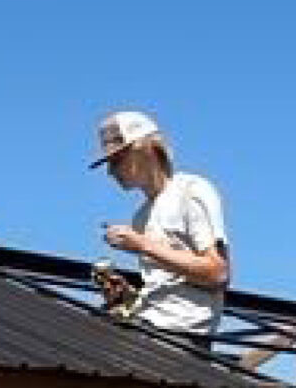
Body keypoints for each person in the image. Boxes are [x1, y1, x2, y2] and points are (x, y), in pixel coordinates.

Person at [89, 109, 230, 337]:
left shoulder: (191, 191)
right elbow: (168, 283)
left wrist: (143, 245)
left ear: (145, 150)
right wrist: (127, 295)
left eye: (117, 160)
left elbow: (217, 273)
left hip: (180, 337)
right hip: (150, 327)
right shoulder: (141, 216)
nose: (111, 171)